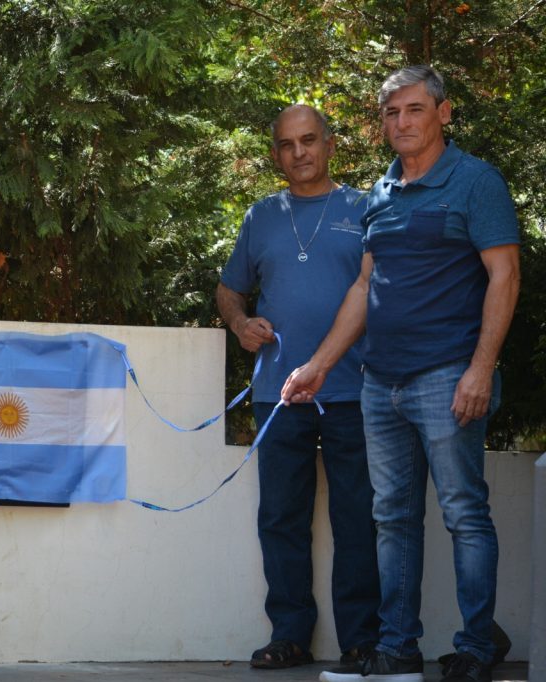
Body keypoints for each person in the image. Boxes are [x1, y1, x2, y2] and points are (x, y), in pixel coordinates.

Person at [282, 66, 521, 682]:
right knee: (391, 519)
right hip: (379, 383)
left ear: (443, 112)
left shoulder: (476, 182)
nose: (402, 122)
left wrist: (480, 369)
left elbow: (504, 276)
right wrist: (317, 366)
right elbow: (364, 286)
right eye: (391, 112)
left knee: (464, 514)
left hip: (448, 376)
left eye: (414, 109)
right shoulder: (381, 192)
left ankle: (475, 648)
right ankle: (397, 649)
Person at [217, 104, 380, 669]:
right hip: (277, 394)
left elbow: (381, 289)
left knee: (358, 518)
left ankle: (362, 640)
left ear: (330, 144)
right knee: (281, 518)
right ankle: (289, 635)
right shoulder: (261, 215)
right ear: (275, 155)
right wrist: (240, 323)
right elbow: (229, 289)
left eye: (309, 140)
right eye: (287, 145)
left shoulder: (365, 208)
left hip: (353, 390)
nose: (299, 152)